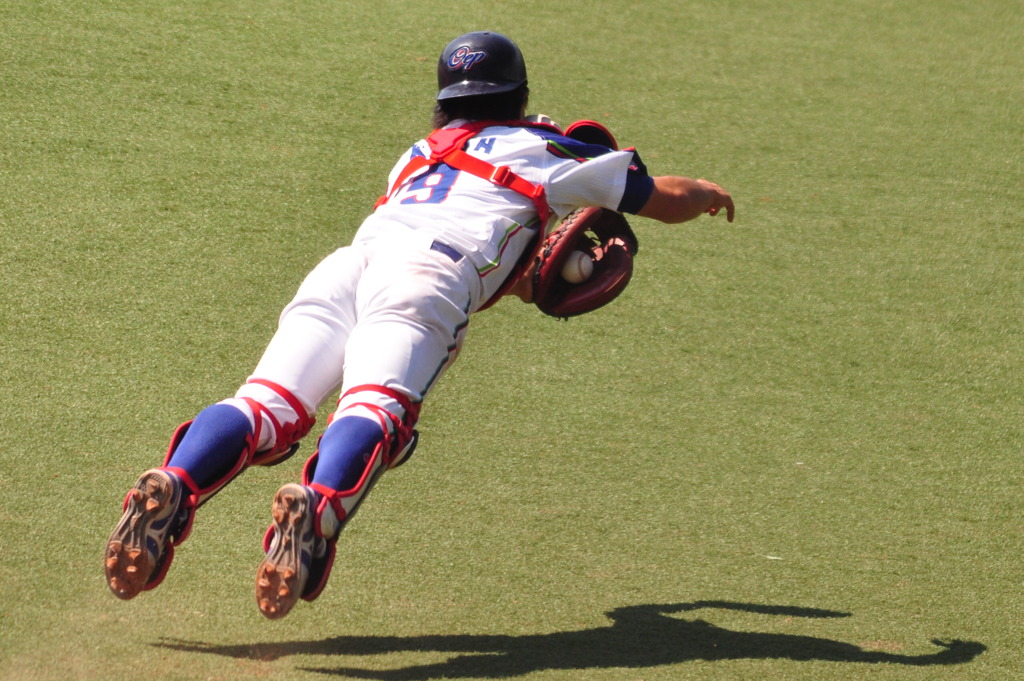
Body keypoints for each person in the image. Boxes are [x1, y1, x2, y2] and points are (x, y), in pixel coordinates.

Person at [103, 30, 735, 620]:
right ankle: (316, 509)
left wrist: (531, 261)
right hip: (426, 279)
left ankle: (178, 481)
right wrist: (704, 191)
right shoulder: (552, 147)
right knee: (377, 410)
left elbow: (498, 244)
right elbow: (658, 196)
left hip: (347, 267)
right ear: (519, 98)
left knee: (266, 403)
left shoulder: (417, 156)